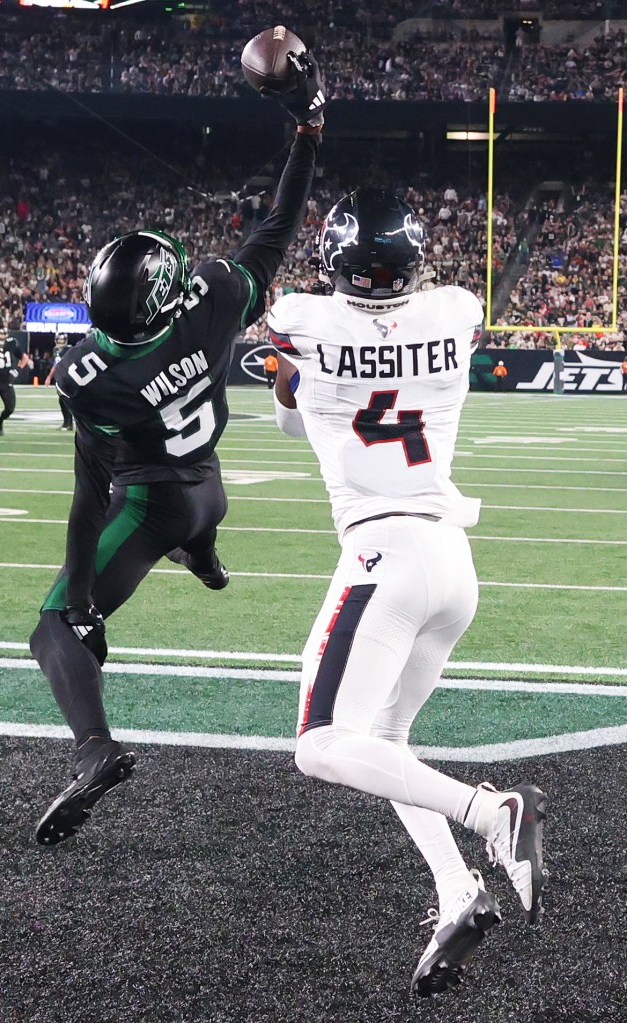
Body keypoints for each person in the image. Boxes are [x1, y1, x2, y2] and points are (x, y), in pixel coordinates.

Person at [29, 44, 326, 847]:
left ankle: (93, 749)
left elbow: (91, 497)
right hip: (209, 487)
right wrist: (308, 128)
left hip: (153, 501)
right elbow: (278, 226)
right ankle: (206, 553)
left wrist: (84, 600)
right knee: (190, 516)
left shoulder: (89, 374)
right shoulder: (217, 299)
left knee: (51, 627)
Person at [266, 188, 546, 998]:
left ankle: (493, 813)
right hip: (453, 561)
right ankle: (457, 891)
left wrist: (289, 379)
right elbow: (321, 394)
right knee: (385, 745)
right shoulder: (457, 311)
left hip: (383, 553)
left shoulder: (300, 319)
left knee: (320, 743)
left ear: (334, 262)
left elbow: (295, 401)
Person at [0, 325, 31, 439]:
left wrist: (17, 370)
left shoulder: (11, 344)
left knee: (10, 408)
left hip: (7, 381)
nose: (0, 336)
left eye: (2, 333)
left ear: (6, 334)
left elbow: (24, 358)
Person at [44, 333, 74, 430]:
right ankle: (66, 423)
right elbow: (55, 365)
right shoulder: (55, 350)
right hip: (61, 378)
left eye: (62, 340)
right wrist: (49, 377)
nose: (61, 342)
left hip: (69, 377)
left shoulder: (69, 349)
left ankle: (69, 423)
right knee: (62, 401)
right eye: (59, 340)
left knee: (65, 401)